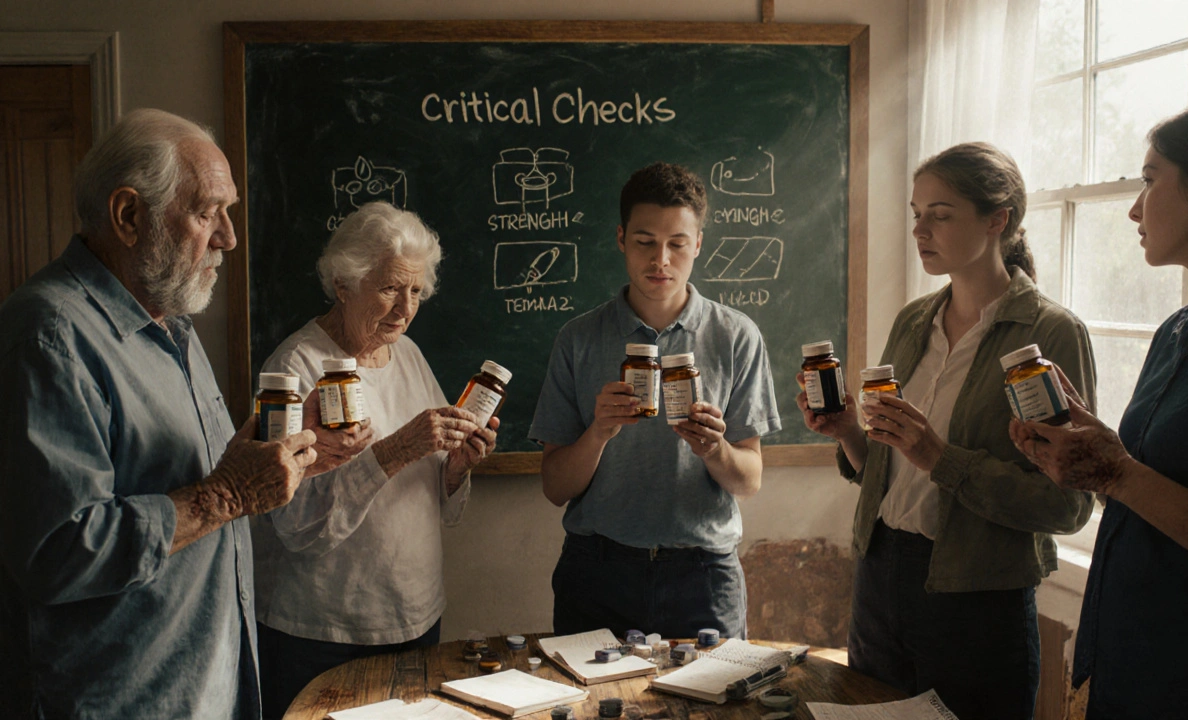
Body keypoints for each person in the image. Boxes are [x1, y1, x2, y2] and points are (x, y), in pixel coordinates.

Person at [0, 109, 369, 719]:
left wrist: (286, 453)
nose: (228, 237)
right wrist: (225, 495)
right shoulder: (49, 335)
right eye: (206, 213)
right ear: (128, 216)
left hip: (205, 686)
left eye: (229, 214)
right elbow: (56, 551)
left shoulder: (172, 324)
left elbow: (199, 476)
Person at [799, 143, 1096, 720]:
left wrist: (940, 456)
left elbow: (1067, 506)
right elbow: (887, 475)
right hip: (880, 577)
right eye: (916, 213)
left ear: (997, 219)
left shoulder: (1051, 334)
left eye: (940, 213)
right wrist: (847, 433)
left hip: (978, 600)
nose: (921, 229)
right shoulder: (914, 321)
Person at [1009, 99, 1188, 718]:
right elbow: (1152, 488)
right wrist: (1092, 459)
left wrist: (1118, 473)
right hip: (1130, 667)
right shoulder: (1177, 332)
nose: (1134, 207)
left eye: (1151, 178)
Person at [252, 201, 498, 719]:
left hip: (414, 615)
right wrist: (394, 450)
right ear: (344, 284)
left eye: (415, 291)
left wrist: (456, 469)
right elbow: (294, 525)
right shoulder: (296, 366)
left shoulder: (407, 354)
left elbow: (433, 493)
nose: (404, 308)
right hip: (323, 630)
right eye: (389, 288)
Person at [529, 162, 781, 639]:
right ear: (621, 238)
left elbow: (749, 481)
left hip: (704, 573)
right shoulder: (578, 339)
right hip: (598, 572)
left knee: (717, 711)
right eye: (645, 241)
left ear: (698, 244)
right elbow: (555, 487)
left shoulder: (736, 336)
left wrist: (715, 450)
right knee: (590, 711)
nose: (660, 260)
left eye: (677, 244)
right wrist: (598, 432)